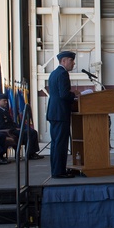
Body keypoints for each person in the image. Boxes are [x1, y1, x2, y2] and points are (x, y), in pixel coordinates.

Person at [47, 50, 77, 178]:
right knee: (61, 143)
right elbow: (64, 94)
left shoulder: (54, 73)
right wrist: (74, 95)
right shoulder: (63, 74)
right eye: (71, 61)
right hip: (60, 113)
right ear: (63, 61)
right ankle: (59, 172)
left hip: (54, 112)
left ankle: (57, 169)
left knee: (56, 143)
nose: (73, 63)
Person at [0, 93, 42, 160]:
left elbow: (11, 122)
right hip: (8, 131)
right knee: (29, 133)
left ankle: (32, 153)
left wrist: (18, 127)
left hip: (12, 129)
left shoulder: (4, 111)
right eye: (4, 101)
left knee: (32, 131)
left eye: (6, 101)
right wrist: (14, 128)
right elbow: (1, 126)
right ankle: (30, 154)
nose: (6, 102)